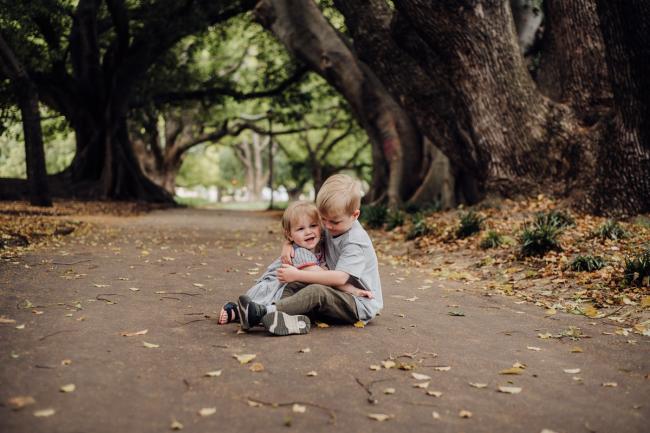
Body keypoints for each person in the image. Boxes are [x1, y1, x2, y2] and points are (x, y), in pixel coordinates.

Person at [238, 174, 382, 336]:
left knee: (315, 292)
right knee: (294, 284)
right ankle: (284, 317)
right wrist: (288, 244)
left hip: (357, 303)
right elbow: (309, 237)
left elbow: (340, 278)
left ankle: (262, 313)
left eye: (334, 222)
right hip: (337, 291)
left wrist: (298, 273)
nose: (327, 226)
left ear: (355, 215)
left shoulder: (355, 242)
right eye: (323, 219)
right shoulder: (336, 224)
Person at [217, 200, 371, 324]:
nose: (309, 232)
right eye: (300, 229)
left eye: (313, 226)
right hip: (272, 288)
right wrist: (353, 290)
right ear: (289, 235)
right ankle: (237, 310)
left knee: (298, 294)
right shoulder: (301, 253)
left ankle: (243, 311)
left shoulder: (321, 240)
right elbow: (321, 275)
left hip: (288, 286)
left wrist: (287, 244)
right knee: (275, 300)